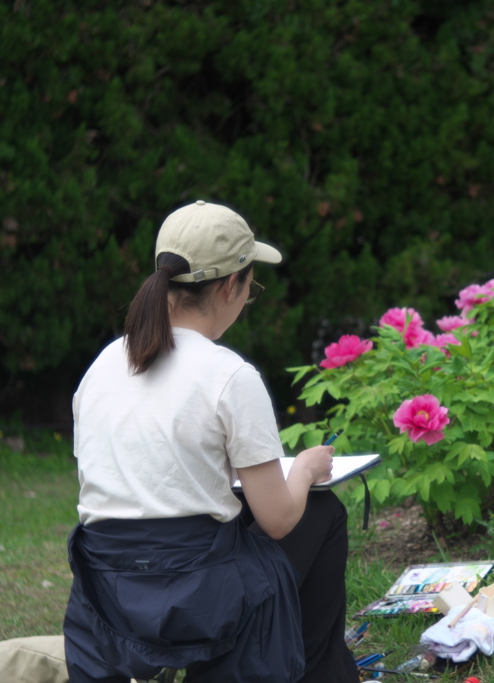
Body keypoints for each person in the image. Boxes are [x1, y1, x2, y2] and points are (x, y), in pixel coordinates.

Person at [63, 200, 360, 683]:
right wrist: (305, 467)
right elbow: (280, 520)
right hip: (197, 594)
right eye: (251, 287)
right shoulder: (229, 375)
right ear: (229, 286)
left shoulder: (103, 365)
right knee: (322, 514)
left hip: (105, 593)